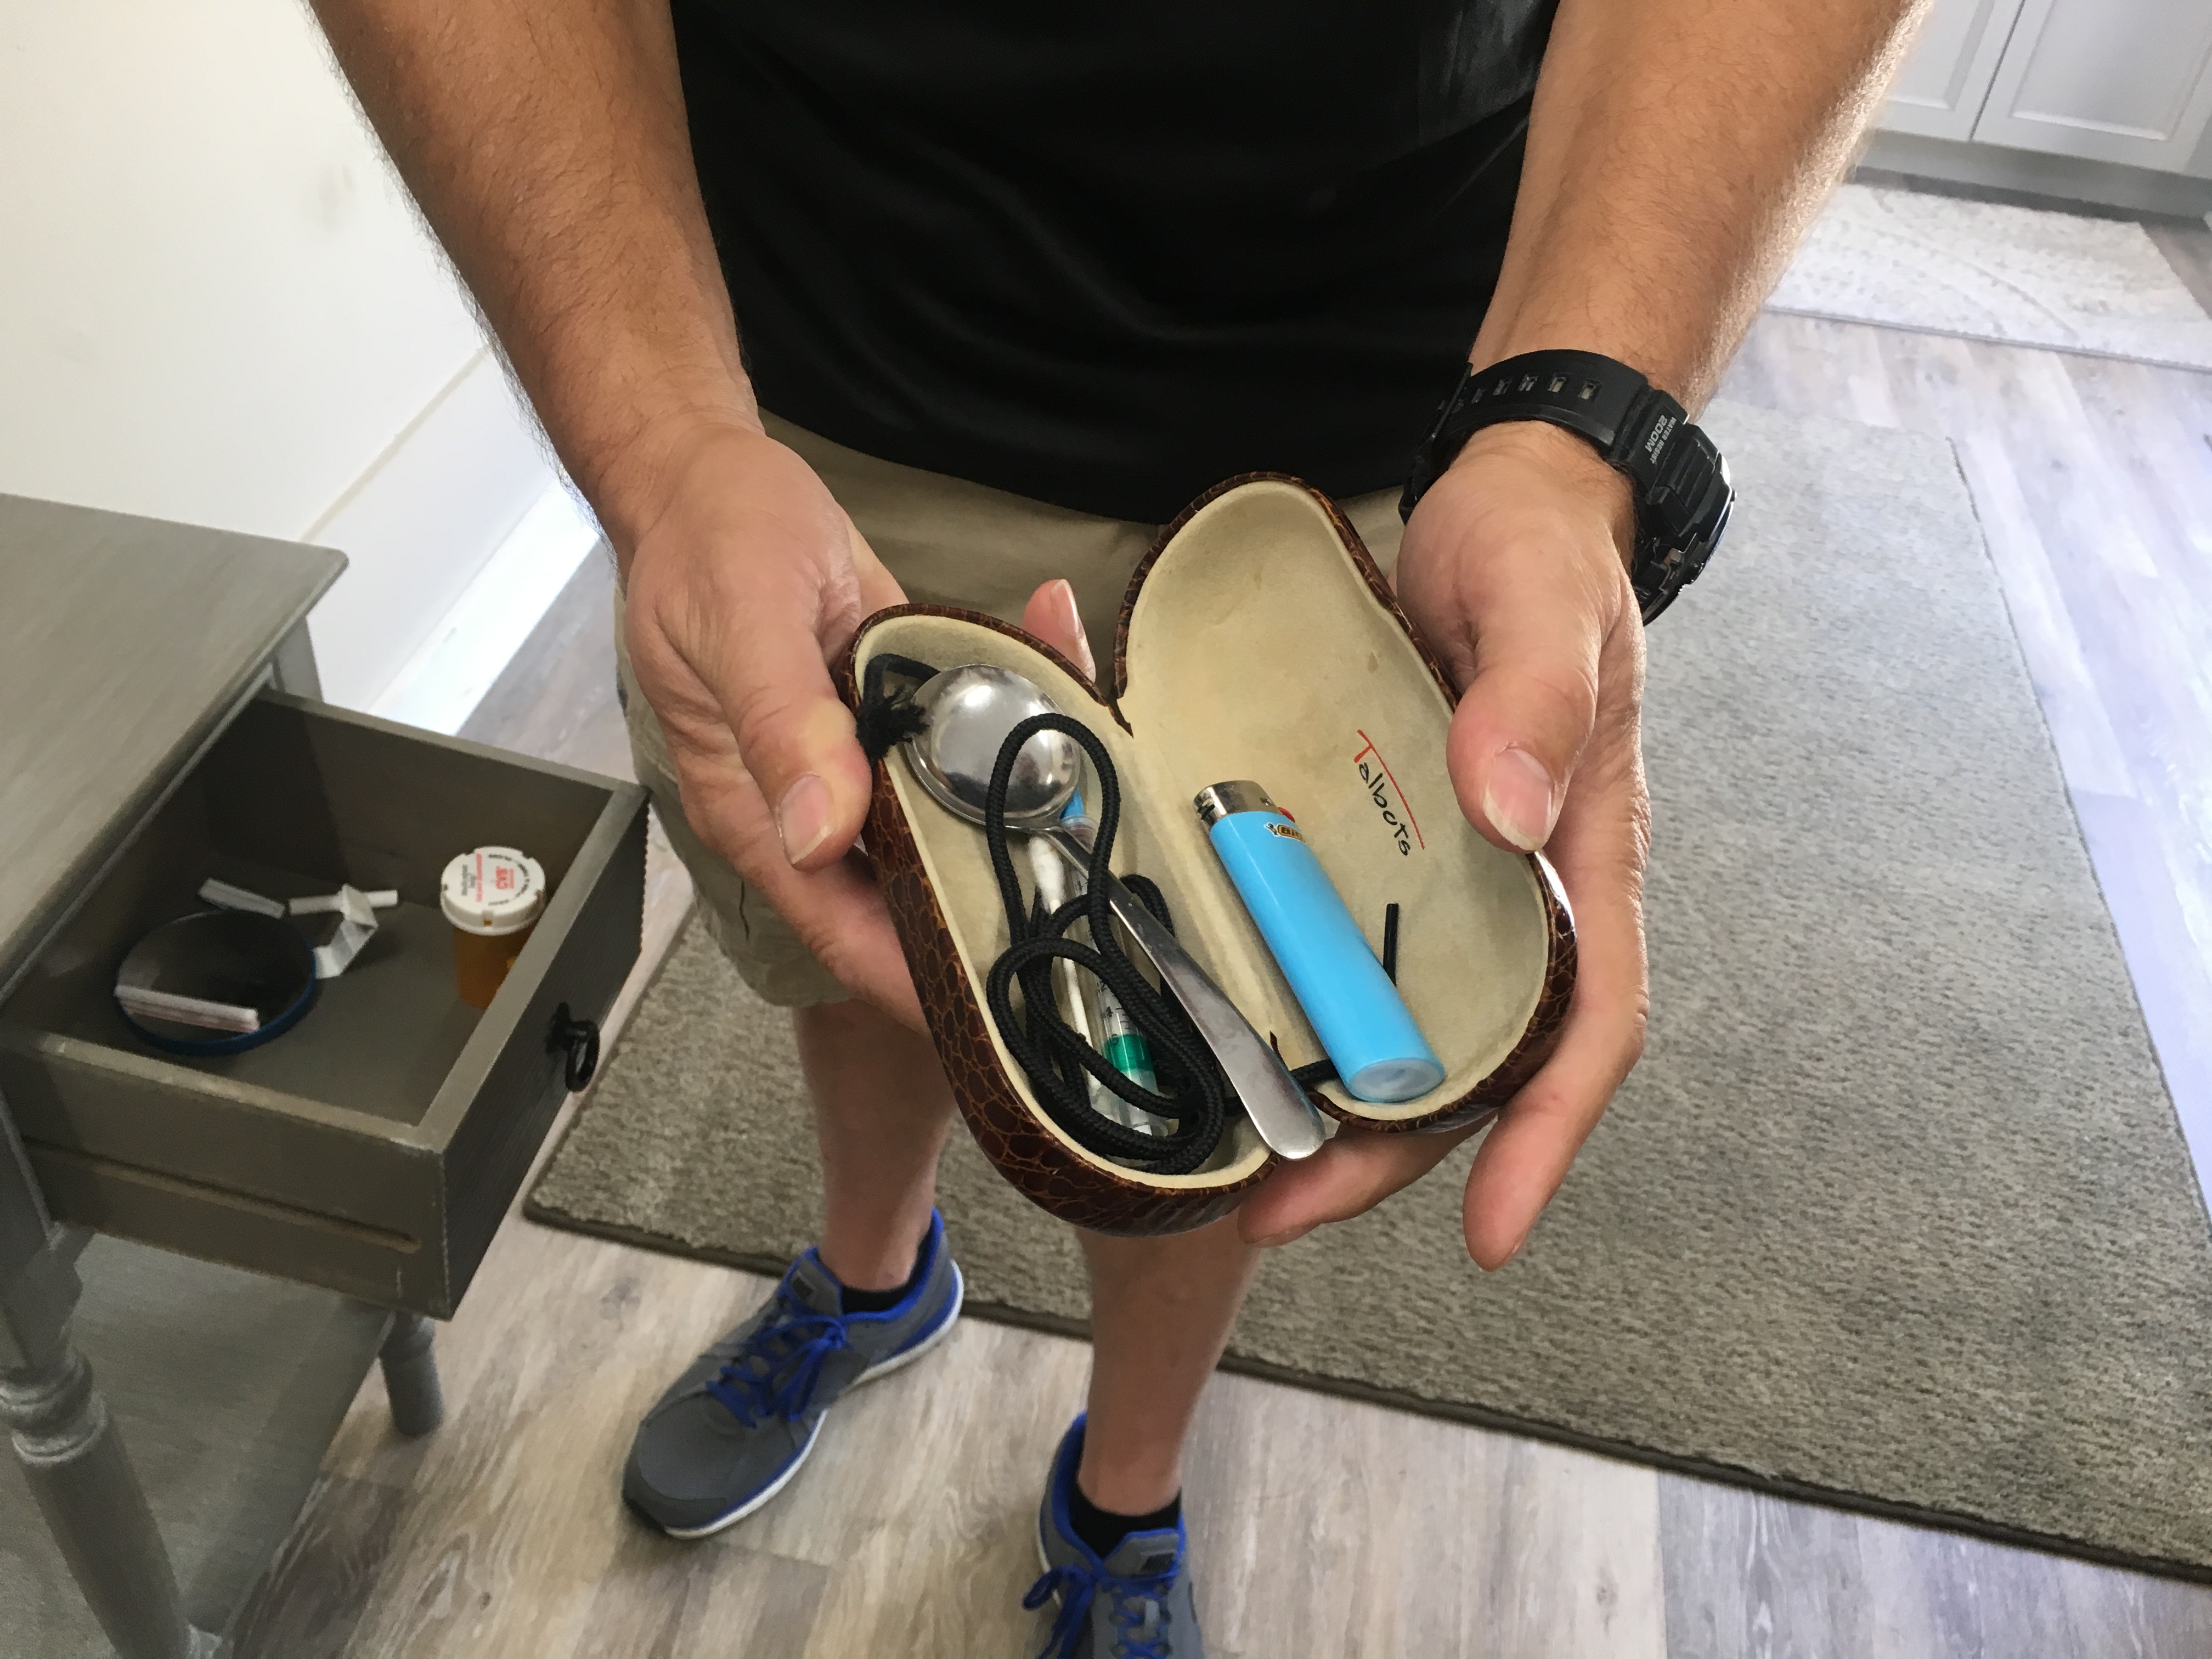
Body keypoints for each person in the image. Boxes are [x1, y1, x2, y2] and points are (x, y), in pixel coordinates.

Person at [311, 2, 1917, 1651]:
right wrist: (664, 446)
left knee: (1223, 1097)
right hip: (805, 387)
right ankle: (873, 1278)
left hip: (1362, 463)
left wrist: (1572, 434)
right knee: (876, 924)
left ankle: (1125, 1495)